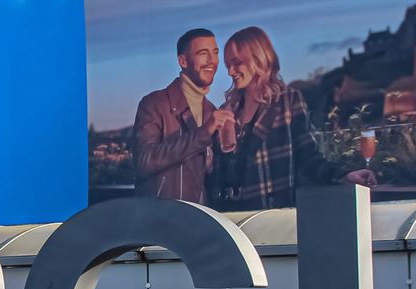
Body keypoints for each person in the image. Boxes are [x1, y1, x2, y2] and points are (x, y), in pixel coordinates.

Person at [207, 26, 375, 211]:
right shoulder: (227, 112)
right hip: (231, 218)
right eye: (227, 65)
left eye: (237, 63)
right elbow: (217, 172)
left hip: (272, 214)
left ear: (258, 59)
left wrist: (345, 175)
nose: (230, 71)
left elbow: (309, 156)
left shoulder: (287, 102)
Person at [132, 28, 232, 202]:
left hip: (199, 222)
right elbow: (144, 161)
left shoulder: (212, 111)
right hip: (160, 220)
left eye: (215, 53)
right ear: (183, 61)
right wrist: (203, 133)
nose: (212, 61)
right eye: (203, 53)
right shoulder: (154, 103)